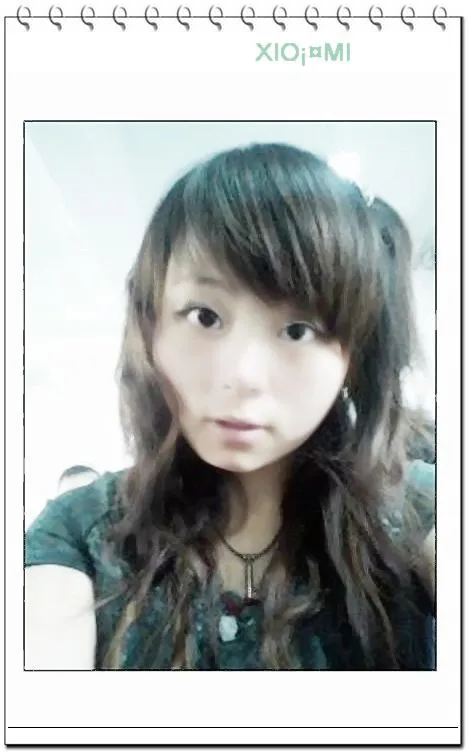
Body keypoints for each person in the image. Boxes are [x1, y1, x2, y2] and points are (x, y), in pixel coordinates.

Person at [25, 142, 435, 670]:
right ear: (151, 328)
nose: (241, 375)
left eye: (298, 329)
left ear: (352, 357)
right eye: (204, 316)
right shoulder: (81, 531)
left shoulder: (417, 510)